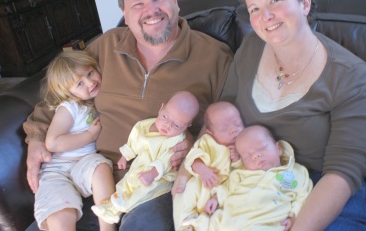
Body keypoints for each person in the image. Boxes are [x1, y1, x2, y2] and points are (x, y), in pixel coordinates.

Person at [23, 0, 233, 231]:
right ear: (124, 11)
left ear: (175, 2)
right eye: (138, 4)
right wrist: (37, 137)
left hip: (156, 183)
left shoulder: (215, 57)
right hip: (91, 173)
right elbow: (58, 94)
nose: (151, 11)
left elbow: (231, 124)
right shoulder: (106, 45)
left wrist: (194, 144)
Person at [173, 0, 366, 230]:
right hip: (249, 182)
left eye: (275, 1)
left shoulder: (351, 76)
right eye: (255, 8)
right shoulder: (250, 48)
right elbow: (221, 115)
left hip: (321, 192)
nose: (265, 16)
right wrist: (187, 170)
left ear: (304, 3)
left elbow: (341, 174)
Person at [34, 51, 115, 231]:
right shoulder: (70, 108)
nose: (90, 82)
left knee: (102, 167)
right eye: (79, 83)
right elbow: (52, 143)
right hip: (58, 170)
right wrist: (89, 136)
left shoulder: (97, 101)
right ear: (67, 92)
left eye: (90, 73)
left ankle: (108, 226)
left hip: (84, 164)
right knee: (62, 212)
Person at [92, 91, 199, 224]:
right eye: (165, 117)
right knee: (125, 185)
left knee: (143, 192)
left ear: (187, 126)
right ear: (161, 108)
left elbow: (166, 161)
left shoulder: (177, 140)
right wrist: (125, 156)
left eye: (177, 125)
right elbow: (134, 140)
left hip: (160, 179)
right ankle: (111, 209)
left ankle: (124, 207)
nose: (168, 125)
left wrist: (152, 174)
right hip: (139, 167)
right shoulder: (145, 125)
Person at [205, 125, 313, 231]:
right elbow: (226, 188)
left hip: (266, 223)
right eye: (248, 156)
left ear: (279, 148)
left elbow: (303, 197)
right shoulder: (240, 175)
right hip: (232, 221)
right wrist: (216, 198)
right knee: (213, 219)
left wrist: (293, 216)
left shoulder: (296, 173)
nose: (255, 155)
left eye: (261, 148)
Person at [173, 101, 244, 231]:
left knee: (223, 213)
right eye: (224, 128)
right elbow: (193, 158)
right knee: (185, 195)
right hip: (201, 184)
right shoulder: (207, 142)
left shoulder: (243, 145)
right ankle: (184, 225)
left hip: (221, 191)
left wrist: (237, 160)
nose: (234, 130)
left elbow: (240, 175)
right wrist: (202, 169)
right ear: (211, 133)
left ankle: (201, 225)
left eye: (238, 124)